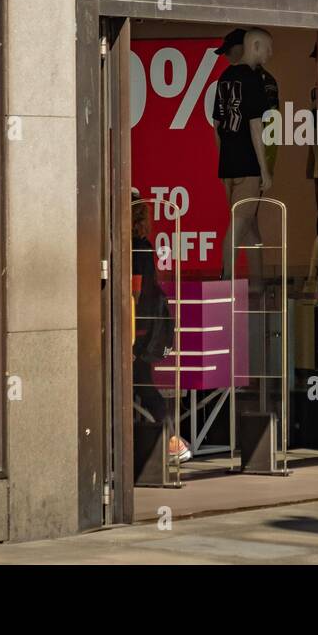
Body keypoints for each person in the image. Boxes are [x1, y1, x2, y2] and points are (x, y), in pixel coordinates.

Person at [131, 194, 191, 463]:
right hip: (142, 329)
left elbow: (134, 294)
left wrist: (128, 334)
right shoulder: (143, 246)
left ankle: (172, 441)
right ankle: (170, 440)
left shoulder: (134, 249)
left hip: (135, 330)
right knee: (142, 386)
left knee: (143, 386)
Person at [213, 28, 273, 282]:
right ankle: (225, 280)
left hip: (228, 164)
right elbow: (255, 125)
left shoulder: (225, 77)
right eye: (268, 48)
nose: (270, 54)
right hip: (247, 164)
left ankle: (259, 284)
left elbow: (216, 124)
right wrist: (264, 169)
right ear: (256, 46)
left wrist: (224, 155)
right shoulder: (253, 79)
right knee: (239, 224)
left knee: (248, 225)